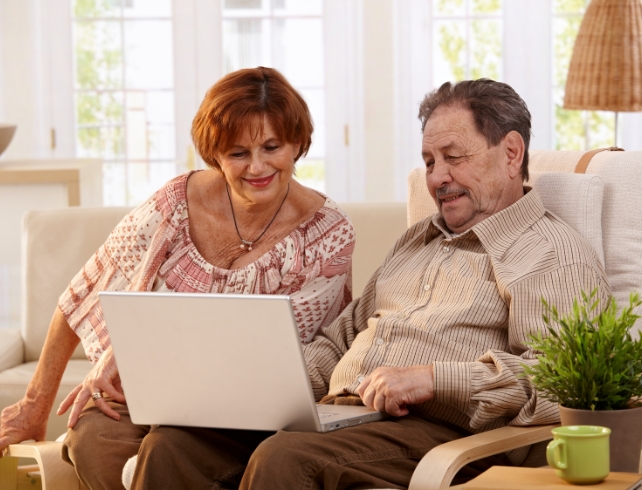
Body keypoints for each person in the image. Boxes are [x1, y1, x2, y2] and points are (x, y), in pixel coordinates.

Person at [123, 78, 611, 489]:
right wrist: (259, 383)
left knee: (288, 459)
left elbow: (560, 383)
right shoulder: (416, 241)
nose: (438, 177)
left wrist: (433, 378)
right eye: (428, 161)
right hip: (341, 415)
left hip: (436, 432)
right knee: (174, 445)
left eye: (453, 157)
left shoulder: (551, 251)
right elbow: (341, 338)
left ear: (511, 152)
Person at [0, 67, 355, 489]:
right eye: (237, 153)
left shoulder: (328, 233)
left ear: (297, 143)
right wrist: (34, 405)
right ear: (215, 154)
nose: (257, 166)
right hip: (146, 392)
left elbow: (290, 355)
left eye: (272, 146)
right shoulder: (174, 202)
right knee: (93, 440)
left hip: (247, 413)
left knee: (168, 448)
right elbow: (83, 291)